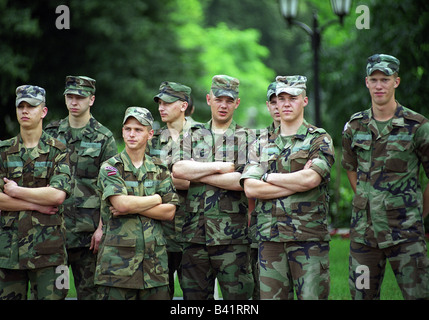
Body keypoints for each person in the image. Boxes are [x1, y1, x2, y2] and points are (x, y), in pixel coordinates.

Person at [341, 54, 429, 300]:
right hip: (364, 235)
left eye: (385, 79)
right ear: (366, 82)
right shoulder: (354, 127)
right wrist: (366, 200)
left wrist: (418, 211)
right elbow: (350, 166)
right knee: (362, 295)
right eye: (374, 79)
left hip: (406, 233)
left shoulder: (418, 126)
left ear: (396, 82)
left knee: (418, 295)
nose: (379, 85)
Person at [240, 75, 335, 300]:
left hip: (308, 239)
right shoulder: (260, 142)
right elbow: (251, 189)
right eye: (280, 98)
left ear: (304, 100)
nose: (286, 103)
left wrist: (268, 176)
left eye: (293, 97)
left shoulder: (318, 139)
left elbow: (311, 180)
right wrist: (298, 180)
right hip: (270, 239)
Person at [172, 75, 254, 300]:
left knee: (239, 301)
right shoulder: (191, 135)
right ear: (209, 99)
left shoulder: (248, 138)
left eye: (229, 100)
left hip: (233, 239)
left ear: (237, 103)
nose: (223, 105)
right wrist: (222, 167)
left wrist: (198, 172)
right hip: (194, 236)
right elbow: (178, 172)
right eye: (219, 99)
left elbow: (242, 182)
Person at [95, 107, 179, 300]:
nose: (131, 134)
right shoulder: (110, 167)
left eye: (138, 129)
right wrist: (156, 199)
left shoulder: (159, 168)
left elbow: (169, 212)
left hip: (154, 267)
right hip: (118, 267)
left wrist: (133, 205)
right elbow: (121, 204)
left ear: (150, 134)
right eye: (127, 129)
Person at [45, 75, 117, 300]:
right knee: (56, 292)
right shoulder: (51, 133)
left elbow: (111, 189)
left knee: (90, 295)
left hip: (89, 238)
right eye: (70, 96)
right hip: (56, 234)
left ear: (91, 99)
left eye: (80, 97)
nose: (74, 102)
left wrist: (102, 228)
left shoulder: (104, 137)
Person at [0, 85, 71, 300]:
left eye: (30, 106)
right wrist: (35, 204)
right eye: (20, 106)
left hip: (50, 251)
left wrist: (15, 191)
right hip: (7, 252)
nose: (24, 111)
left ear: (43, 111)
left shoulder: (59, 150)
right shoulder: (3, 151)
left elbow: (57, 196)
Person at [148, 81, 193, 299]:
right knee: (159, 293)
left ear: (183, 105)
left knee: (196, 296)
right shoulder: (152, 140)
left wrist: (163, 181)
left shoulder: (202, 137)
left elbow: (206, 182)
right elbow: (143, 180)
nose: (161, 107)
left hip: (194, 231)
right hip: (160, 232)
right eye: (159, 103)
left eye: (167, 102)